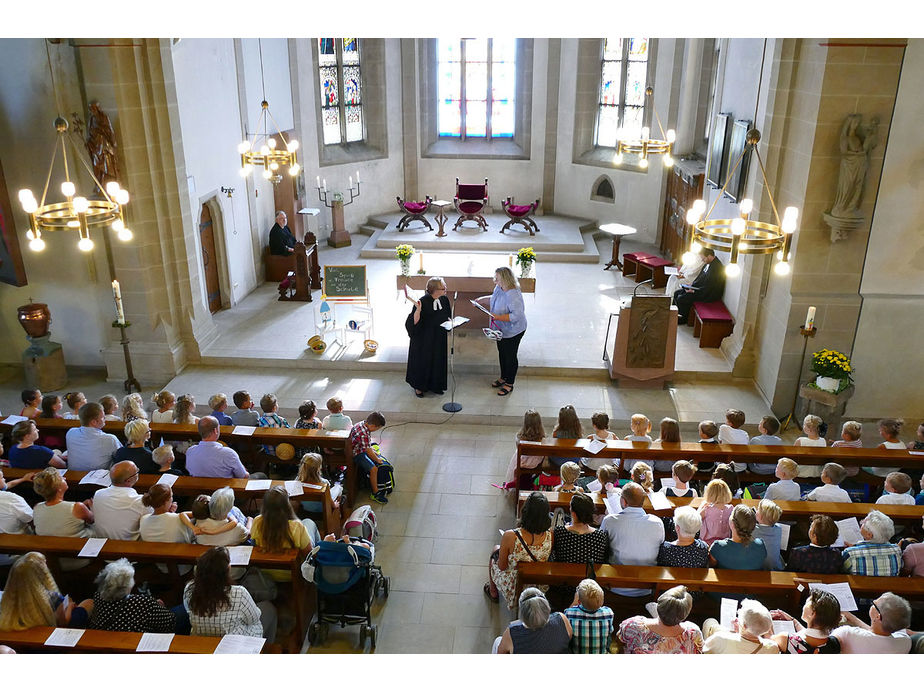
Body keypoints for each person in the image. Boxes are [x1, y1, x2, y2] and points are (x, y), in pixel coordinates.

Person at [486, 491, 553, 610]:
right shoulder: (550, 535)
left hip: (514, 587)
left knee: (495, 550)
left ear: (525, 511)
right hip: (537, 583)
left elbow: (502, 566)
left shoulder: (511, 536)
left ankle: (493, 591)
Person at [184, 546, 268, 638]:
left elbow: (188, 610)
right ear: (226, 571)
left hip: (202, 638)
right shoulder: (239, 593)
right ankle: (266, 648)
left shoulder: (189, 589)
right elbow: (253, 619)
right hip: (234, 642)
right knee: (269, 609)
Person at [601, 482, 664, 597]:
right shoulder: (657, 522)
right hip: (647, 586)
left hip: (615, 585)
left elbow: (601, 546)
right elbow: (660, 546)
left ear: (623, 501)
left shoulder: (609, 520)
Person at [0, 552, 91, 631]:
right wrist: (70, 607)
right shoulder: (52, 598)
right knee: (88, 603)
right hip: (54, 634)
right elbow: (63, 619)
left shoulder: (7, 599)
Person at [474, 266, 526, 397]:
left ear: (505, 279)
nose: (494, 281)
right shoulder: (499, 287)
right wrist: (481, 300)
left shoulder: (514, 294)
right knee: (502, 353)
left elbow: (516, 315)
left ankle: (509, 383)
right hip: (500, 329)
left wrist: (497, 317)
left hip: (513, 331)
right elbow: (494, 298)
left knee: (510, 356)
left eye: (497, 279)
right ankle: (503, 377)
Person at [88, 558, 176, 633]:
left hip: (105, 639)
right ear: (127, 585)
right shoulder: (143, 603)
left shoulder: (98, 596)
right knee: (181, 612)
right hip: (138, 644)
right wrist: (158, 608)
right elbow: (170, 624)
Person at [618, 585, 704, 654]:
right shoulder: (693, 634)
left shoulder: (634, 625)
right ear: (685, 614)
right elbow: (699, 651)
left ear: (658, 604)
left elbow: (620, 641)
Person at [404, 276, 451, 397]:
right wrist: (418, 310)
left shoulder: (444, 300)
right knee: (423, 362)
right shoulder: (422, 301)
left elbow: (447, 316)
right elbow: (412, 323)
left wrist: (451, 322)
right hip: (424, 340)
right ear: (434, 290)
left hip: (439, 338)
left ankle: (436, 385)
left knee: (438, 361)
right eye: (443, 287)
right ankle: (419, 386)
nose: (445, 288)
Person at [830, 592, 912, 654]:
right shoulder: (905, 642)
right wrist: (852, 618)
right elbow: (877, 634)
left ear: (878, 616)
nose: (872, 603)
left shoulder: (847, 633)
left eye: (874, 604)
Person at [495, 588, 571, 654]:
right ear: (546, 606)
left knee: (497, 641)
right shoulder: (561, 619)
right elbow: (569, 637)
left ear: (522, 613)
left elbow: (501, 653)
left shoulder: (512, 631)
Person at [769, 588, 842, 653]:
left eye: (807, 603)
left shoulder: (786, 640)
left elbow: (769, 641)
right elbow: (810, 636)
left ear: (812, 613)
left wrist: (767, 622)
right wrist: (793, 621)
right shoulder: (835, 644)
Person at [92, 461, 152, 541]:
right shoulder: (139, 501)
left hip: (101, 541)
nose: (138, 472)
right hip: (128, 546)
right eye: (136, 471)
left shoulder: (98, 494)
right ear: (128, 480)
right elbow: (154, 520)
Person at [32, 466, 94, 540]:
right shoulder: (77, 507)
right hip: (79, 544)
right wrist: (92, 507)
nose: (64, 478)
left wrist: (82, 506)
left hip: (49, 544)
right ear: (59, 488)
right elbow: (92, 520)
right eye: (61, 478)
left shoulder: (37, 507)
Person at [702, 599, 779, 654]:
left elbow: (704, 650)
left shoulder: (720, 639)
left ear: (744, 626)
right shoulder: (773, 648)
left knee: (710, 622)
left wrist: (737, 634)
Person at [185, 416, 250, 478]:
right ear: (215, 430)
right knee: (259, 475)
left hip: (198, 488)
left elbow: (188, 469)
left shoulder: (190, 451)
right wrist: (244, 470)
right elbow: (243, 476)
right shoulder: (228, 453)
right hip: (225, 489)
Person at [673, 247, 725, 324]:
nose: (702, 260)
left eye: (703, 258)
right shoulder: (708, 264)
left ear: (709, 256)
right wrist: (691, 285)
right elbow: (700, 278)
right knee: (677, 293)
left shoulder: (716, 268)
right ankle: (674, 315)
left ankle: (683, 319)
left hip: (709, 294)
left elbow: (710, 286)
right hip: (701, 289)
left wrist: (693, 290)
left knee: (682, 298)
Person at [841, 510, 901, 576]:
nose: (861, 523)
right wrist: (855, 548)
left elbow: (842, 570)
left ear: (869, 535)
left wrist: (853, 550)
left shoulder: (850, 554)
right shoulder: (897, 550)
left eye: (863, 523)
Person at [65, 402, 121, 472]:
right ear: (94, 422)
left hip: (73, 475)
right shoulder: (110, 439)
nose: (105, 418)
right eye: (103, 417)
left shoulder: (70, 432)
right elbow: (122, 456)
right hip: (98, 479)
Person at [709, 504, 766, 570]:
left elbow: (710, 565)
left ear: (732, 523)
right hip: (753, 579)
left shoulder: (718, 547)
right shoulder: (760, 545)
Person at [564, 579, 614, 654]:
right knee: (609, 633)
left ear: (579, 601)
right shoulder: (608, 613)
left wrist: (575, 600)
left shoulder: (569, 613)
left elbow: (568, 614)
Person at [349, 412, 388, 504]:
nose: (376, 430)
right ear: (373, 426)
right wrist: (377, 459)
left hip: (358, 448)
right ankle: (375, 493)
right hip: (356, 453)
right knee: (374, 469)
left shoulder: (361, 424)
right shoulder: (363, 433)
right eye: (377, 428)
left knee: (374, 451)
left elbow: (367, 445)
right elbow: (367, 451)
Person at [547, 404, 584, 470]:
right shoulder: (577, 433)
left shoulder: (556, 433)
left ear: (561, 420)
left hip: (558, 461)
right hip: (573, 460)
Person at [0, 467, 35, 536]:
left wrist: (23, 479)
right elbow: (32, 520)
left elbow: (8, 485)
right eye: (1, 477)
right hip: (17, 538)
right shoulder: (12, 499)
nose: (4, 479)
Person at [699, 478, 733, 545]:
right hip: (724, 543)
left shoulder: (706, 509)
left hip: (707, 543)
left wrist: (701, 507)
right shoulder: (731, 509)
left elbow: (695, 519)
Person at [753, 499, 784, 570]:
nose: (756, 511)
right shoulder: (778, 528)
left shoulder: (753, 530)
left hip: (758, 568)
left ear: (760, 516)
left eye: (757, 510)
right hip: (775, 567)